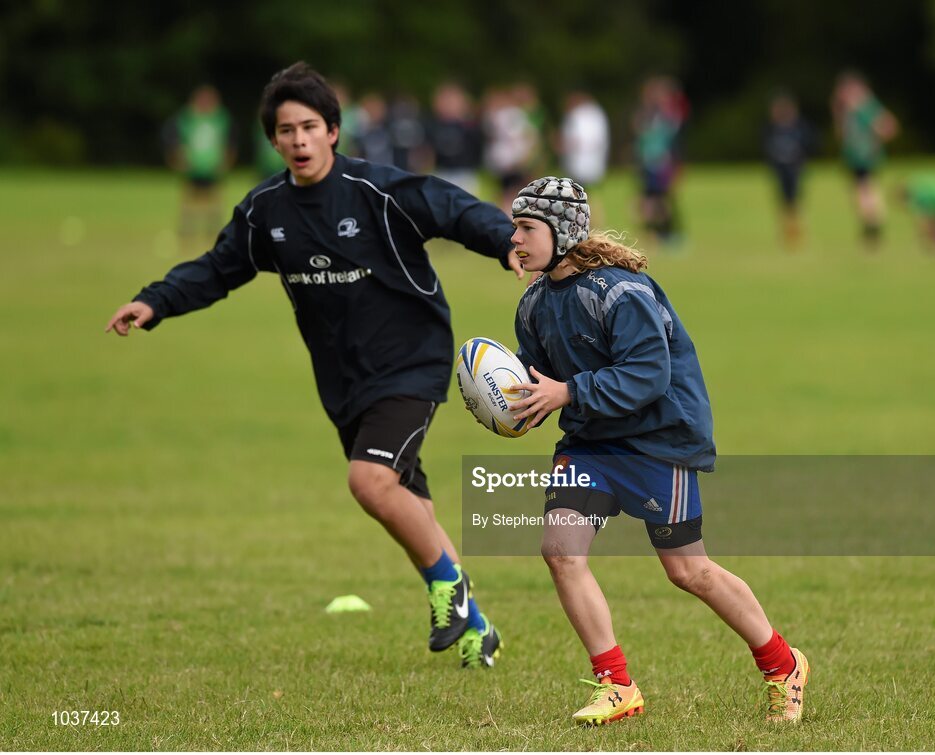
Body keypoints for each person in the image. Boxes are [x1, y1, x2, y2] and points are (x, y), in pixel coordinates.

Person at [106, 62, 524, 669]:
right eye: (285, 131)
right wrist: (157, 300)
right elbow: (218, 268)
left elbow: (453, 209)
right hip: (343, 381)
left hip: (411, 363)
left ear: (333, 130)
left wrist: (504, 239)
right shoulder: (266, 211)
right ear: (272, 141)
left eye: (309, 126)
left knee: (370, 482)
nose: (298, 140)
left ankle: (450, 590)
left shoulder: (376, 191)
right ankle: (477, 627)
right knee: (407, 502)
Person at [506, 177, 809, 724]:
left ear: (563, 230)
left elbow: (648, 375)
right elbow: (542, 381)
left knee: (688, 571)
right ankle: (617, 685)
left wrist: (568, 392)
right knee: (560, 551)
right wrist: (516, 403)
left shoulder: (621, 293)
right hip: (590, 445)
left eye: (527, 228)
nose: (516, 240)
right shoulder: (532, 305)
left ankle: (783, 664)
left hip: (655, 443)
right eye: (515, 228)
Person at [163, 84, 236, 255]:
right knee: (189, 199)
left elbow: (230, 141)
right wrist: (179, 160)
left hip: (212, 166)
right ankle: (187, 229)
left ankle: (214, 229)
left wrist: (225, 162)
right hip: (193, 166)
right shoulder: (186, 118)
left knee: (214, 199)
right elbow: (175, 140)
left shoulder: (221, 118)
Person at [831, 70, 899, 247]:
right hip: (854, 157)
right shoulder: (847, 109)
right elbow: (843, 135)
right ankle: (870, 225)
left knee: (865, 189)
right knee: (861, 190)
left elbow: (888, 127)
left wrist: (875, 139)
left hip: (866, 156)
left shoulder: (865, 106)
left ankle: (873, 226)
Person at [633, 77, 689, 245]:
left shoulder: (666, 117)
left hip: (660, 164)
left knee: (661, 200)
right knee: (649, 200)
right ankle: (653, 233)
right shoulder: (647, 115)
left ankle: (667, 232)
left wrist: (676, 165)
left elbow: (672, 143)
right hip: (648, 163)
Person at [763, 91, 815, 248]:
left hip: (795, 168)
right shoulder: (772, 128)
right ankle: (785, 232)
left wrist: (802, 162)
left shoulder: (799, 127)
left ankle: (797, 231)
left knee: (796, 201)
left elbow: (809, 145)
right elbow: (766, 147)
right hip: (779, 169)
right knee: (782, 201)